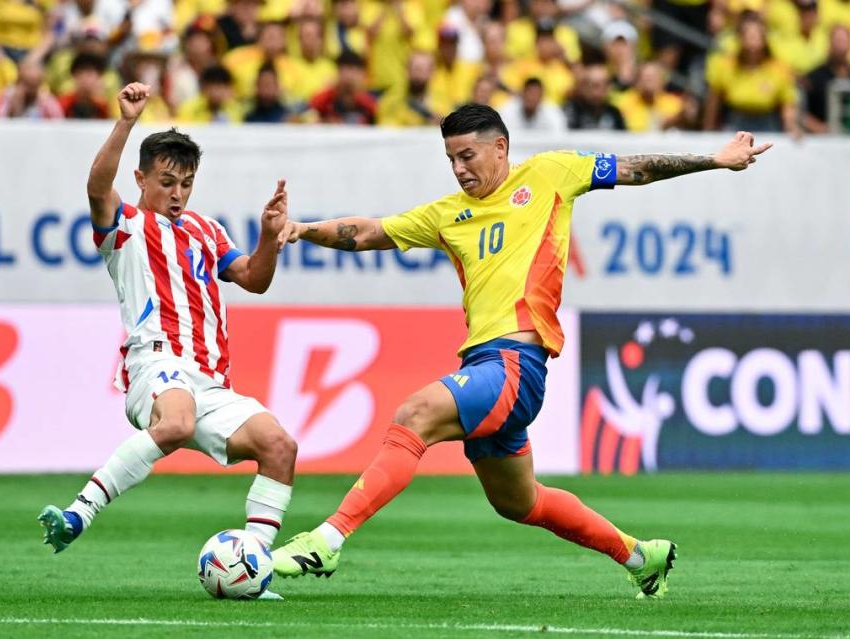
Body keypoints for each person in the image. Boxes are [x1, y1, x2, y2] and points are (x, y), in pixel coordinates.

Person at [272, 102, 771, 599]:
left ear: (500, 147)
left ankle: (328, 538)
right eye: (451, 159)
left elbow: (636, 169)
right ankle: (642, 557)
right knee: (519, 502)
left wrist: (712, 160)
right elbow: (368, 231)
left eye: (468, 155)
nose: (460, 169)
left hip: (516, 365)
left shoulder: (551, 173)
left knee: (415, 413)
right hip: (485, 367)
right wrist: (304, 230)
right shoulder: (448, 215)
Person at [38, 84, 298, 598]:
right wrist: (126, 123)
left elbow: (254, 277)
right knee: (175, 422)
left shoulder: (206, 230)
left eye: (186, 183)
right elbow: (95, 188)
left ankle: (253, 567)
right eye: (167, 182)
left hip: (212, 381)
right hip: (156, 364)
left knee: (280, 446)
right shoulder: (126, 226)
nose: (177, 193)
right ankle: (79, 512)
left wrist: (270, 237)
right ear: (141, 178)